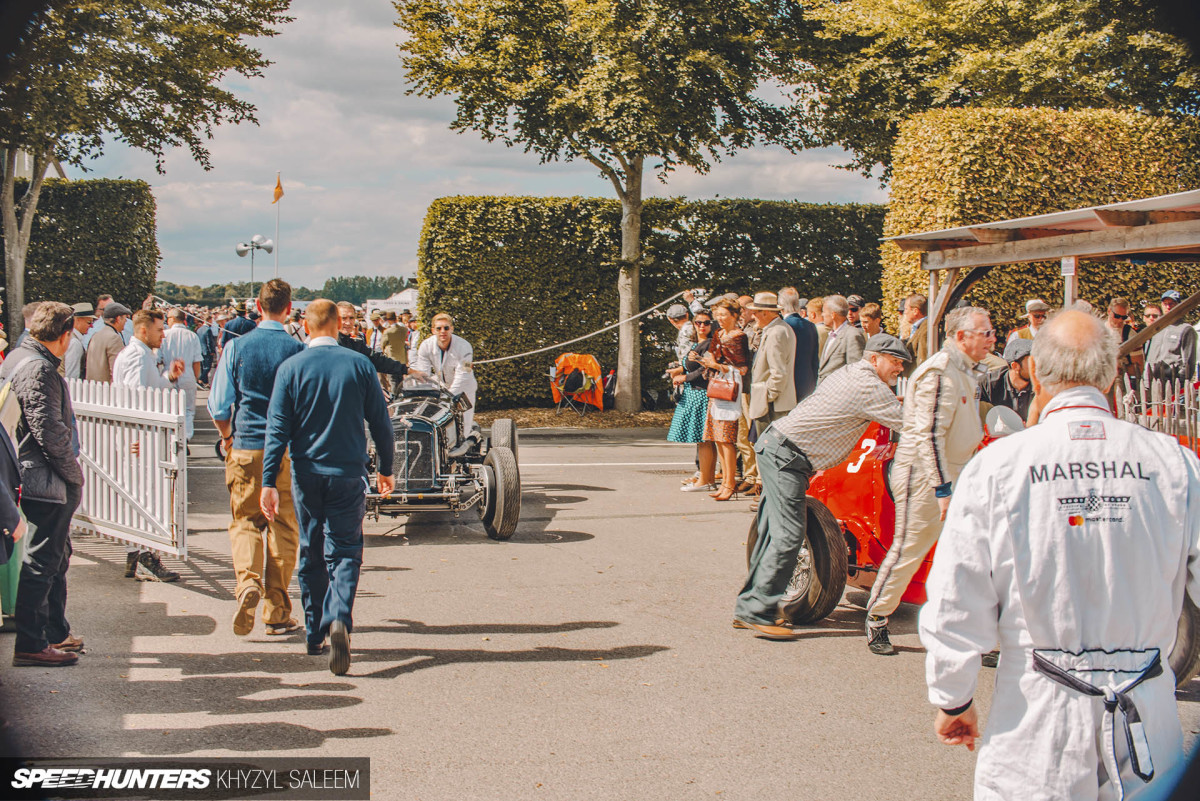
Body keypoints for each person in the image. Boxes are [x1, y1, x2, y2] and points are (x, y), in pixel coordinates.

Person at [918, 308, 1200, 800]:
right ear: (1111, 372)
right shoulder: (1174, 462)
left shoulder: (998, 467)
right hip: (1146, 709)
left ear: (1040, 373)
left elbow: (956, 597)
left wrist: (954, 696)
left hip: (1038, 713)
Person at [734, 334, 909, 639]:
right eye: (895, 361)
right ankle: (756, 610)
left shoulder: (851, 373)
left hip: (779, 447)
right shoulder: (869, 386)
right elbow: (908, 424)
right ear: (874, 359)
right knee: (789, 534)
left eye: (901, 363)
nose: (899, 369)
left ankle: (749, 607)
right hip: (787, 456)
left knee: (770, 533)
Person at [260, 299, 396, 675]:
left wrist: (268, 479)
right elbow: (381, 423)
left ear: (305, 323)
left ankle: (313, 629)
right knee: (347, 550)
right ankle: (338, 617)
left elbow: (277, 429)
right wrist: (387, 467)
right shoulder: (360, 365)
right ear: (338, 324)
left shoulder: (290, 368)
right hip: (348, 470)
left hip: (307, 471)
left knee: (311, 547)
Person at [865, 306, 992, 655]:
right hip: (925, 473)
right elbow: (928, 435)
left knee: (972, 552)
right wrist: (942, 487)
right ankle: (877, 615)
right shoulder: (939, 373)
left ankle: (975, 631)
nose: (991, 338)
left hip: (956, 468)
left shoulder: (964, 369)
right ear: (961, 336)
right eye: (986, 332)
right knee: (911, 547)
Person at [209, 280, 305, 637]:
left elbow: (219, 404)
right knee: (283, 528)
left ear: (258, 306)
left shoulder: (237, 347)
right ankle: (277, 610)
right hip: (287, 450)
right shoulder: (297, 349)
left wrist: (227, 437)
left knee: (246, 521)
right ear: (289, 306)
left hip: (247, 443)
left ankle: (248, 582)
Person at [1, 303, 84, 666]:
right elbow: (49, 432)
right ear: (64, 336)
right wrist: (73, 475)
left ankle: (51, 633)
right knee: (43, 562)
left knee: (50, 558)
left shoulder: (21, 357)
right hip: (42, 478)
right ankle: (32, 643)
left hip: (33, 473)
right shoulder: (37, 367)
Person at [112, 309, 185, 582]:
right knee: (146, 496)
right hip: (140, 437)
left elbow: (151, 388)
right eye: (158, 330)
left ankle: (136, 553)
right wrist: (134, 437)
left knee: (142, 495)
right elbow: (135, 399)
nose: (163, 334)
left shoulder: (142, 355)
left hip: (141, 435)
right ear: (143, 330)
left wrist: (170, 377)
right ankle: (145, 556)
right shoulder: (136, 355)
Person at [698, 297, 750, 502]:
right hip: (717, 387)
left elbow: (742, 368)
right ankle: (726, 482)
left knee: (727, 439)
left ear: (735, 316)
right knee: (718, 437)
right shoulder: (719, 334)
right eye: (717, 315)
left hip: (729, 389)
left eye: (724, 315)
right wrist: (705, 361)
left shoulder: (739, 336)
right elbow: (713, 357)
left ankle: (730, 483)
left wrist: (717, 366)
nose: (719, 318)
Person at [671, 311, 718, 492]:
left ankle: (706, 480)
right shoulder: (697, 343)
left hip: (701, 393)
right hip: (694, 393)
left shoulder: (710, 344)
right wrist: (679, 370)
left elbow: (705, 370)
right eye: (698, 322)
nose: (702, 326)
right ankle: (706, 478)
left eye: (706, 323)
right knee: (703, 441)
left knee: (704, 439)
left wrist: (685, 377)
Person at [413, 313, 477, 432]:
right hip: (442, 386)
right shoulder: (425, 346)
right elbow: (423, 374)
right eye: (439, 328)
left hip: (464, 389)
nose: (443, 331)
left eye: (446, 328)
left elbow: (463, 375)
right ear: (433, 330)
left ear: (451, 329)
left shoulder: (465, 346)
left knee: (464, 425)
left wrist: (448, 397)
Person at [745, 291, 797, 439]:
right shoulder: (776, 329)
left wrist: (766, 397)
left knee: (769, 450)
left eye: (755, 313)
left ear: (766, 313)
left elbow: (779, 372)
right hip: (772, 402)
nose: (753, 316)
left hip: (773, 405)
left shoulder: (776, 332)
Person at [335, 302, 421, 390]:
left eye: (351, 318)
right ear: (335, 319)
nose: (348, 322)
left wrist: (408, 370)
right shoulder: (330, 343)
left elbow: (378, 359)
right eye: (344, 318)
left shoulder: (355, 343)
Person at [160, 308, 203, 440]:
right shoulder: (192, 336)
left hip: (168, 373)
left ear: (172, 319)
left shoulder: (164, 335)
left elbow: (158, 358)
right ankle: (186, 436)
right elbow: (197, 361)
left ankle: (172, 436)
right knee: (188, 409)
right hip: (188, 373)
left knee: (169, 407)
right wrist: (196, 377)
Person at [1145, 289, 1197, 382]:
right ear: (1161, 305)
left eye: (1172, 303)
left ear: (1179, 306)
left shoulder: (1186, 329)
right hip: (1152, 381)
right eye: (1165, 303)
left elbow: (1189, 362)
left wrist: (1180, 383)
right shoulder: (1156, 328)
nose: (1168, 306)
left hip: (1172, 382)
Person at [779, 287, 819, 403]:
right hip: (808, 382)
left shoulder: (783, 326)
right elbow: (814, 359)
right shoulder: (811, 326)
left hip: (789, 384)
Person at [980, 338, 1034, 421]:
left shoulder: (1042, 384)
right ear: (1015, 366)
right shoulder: (990, 383)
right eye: (1032, 362)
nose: (1036, 366)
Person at [818, 295, 866, 382]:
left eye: (824, 311)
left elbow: (856, 371)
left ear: (833, 315)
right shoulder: (832, 334)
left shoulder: (853, 335)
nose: (822, 314)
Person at [85, 302, 132, 383]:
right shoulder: (114, 338)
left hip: (92, 387)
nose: (126, 321)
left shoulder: (96, 335)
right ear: (118, 319)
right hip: (106, 391)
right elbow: (116, 370)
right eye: (124, 318)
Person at [1105, 296, 1143, 386]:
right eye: (1117, 316)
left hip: (1122, 382)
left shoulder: (1130, 334)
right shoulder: (1098, 329)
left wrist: (1119, 370)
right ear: (1109, 311)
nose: (1120, 320)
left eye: (1124, 317)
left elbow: (1138, 367)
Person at [63, 303, 94, 380]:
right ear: (78, 320)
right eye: (89, 322)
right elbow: (72, 376)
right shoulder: (74, 342)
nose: (91, 326)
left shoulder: (69, 337)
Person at [901, 293, 929, 378]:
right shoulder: (919, 327)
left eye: (906, 309)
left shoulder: (925, 329)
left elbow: (922, 358)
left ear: (915, 311)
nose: (904, 313)